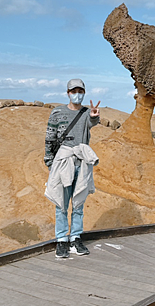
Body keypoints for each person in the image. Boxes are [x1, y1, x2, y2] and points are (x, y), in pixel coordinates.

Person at [44, 79, 101, 258]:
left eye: (80, 91)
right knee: (61, 203)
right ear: (68, 93)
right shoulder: (57, 112)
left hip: (81, 163)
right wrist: (50, 162)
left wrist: (94, 116)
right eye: (73, 91)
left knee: (78, 203)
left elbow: (92, 123)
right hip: (63, 162)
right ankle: (61, 240)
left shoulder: (86, 112)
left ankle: (75, 238)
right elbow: (50, 138)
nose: (77, 94)